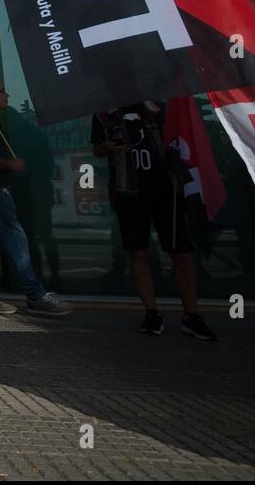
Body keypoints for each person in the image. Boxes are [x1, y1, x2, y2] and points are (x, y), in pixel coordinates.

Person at [92, 102, 215, 340]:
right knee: (137, 252)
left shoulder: (160, 106)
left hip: (165, 190)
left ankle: (192, 315)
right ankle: (151, 312)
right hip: (128, 191)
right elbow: (96, 148)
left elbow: (179, 138)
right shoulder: (104, 113)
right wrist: (107, 147)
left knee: (180, 251)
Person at [0, 79, 71, 317]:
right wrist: (8, 164)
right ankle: (34, 294)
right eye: (2, 91)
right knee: (16, 237)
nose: (7, 95)